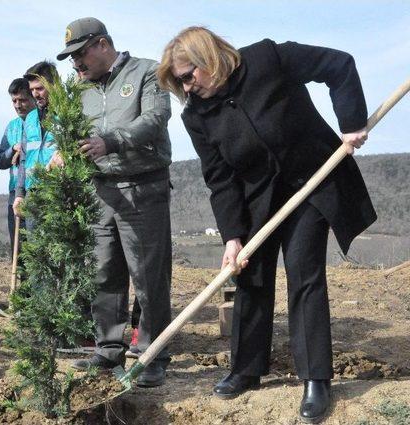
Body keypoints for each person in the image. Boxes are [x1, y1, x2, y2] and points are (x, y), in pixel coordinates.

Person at [157, 27, 376, 423]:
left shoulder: (268, 59)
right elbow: (219, 178)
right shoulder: (197, 115)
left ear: (208, 58)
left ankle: (316, 378)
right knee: (251, 276)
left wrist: (352, 121)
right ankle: (246, 369)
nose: (186, 88)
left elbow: (338, 65)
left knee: (304, 272)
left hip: (311, 182)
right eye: (179, 82)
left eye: (188, 76)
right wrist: (232, 236)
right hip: (256, 199)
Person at [57, 17, 173, 387]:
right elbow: (73, 133)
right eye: (71, 57)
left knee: (148, 275)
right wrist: (64, 152)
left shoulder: (147, 73)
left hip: (142, 188)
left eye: (80, 53)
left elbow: (155, 119)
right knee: (103, 271)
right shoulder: (79, 90)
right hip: (100, 191)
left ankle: (153, 354)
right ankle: (108, 348)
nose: (76, 63)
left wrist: (112, 140)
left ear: (103, 44)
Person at [12, 61, 58, 220]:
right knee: (35, 244)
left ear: (54, 85)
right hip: (33, 193)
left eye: (40, 88)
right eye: (32, 90)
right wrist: (19, 194)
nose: (35, 94)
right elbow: (24, 160)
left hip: (59, 190)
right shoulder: (30, 118)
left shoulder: (66, 114)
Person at [0, 77, 35, 254]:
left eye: (23, 100)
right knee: (19, 250)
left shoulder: (43, 123)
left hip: (36, 189)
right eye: (14, 101)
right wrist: (13, 149)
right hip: (14, 193)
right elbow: (0, 160)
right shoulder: (12, 127)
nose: (18, 105)